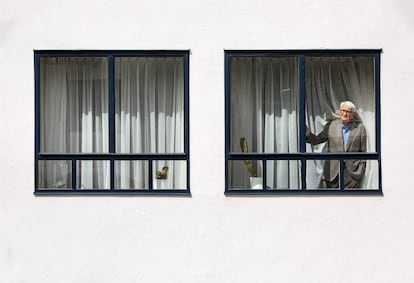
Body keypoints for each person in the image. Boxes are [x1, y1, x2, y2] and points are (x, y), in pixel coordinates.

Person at [306, 101, 366, 188]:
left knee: (350, 200)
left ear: (352, 114)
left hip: (351, 173)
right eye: (343, 111)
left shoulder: (360, 128)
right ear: (339, 111)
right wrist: (307, 134)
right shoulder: (331, 125)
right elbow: (317, 140)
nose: (344, 114)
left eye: (348, 112)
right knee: (332, 200)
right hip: (332, 173)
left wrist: (361, 169)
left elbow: (364, 151)